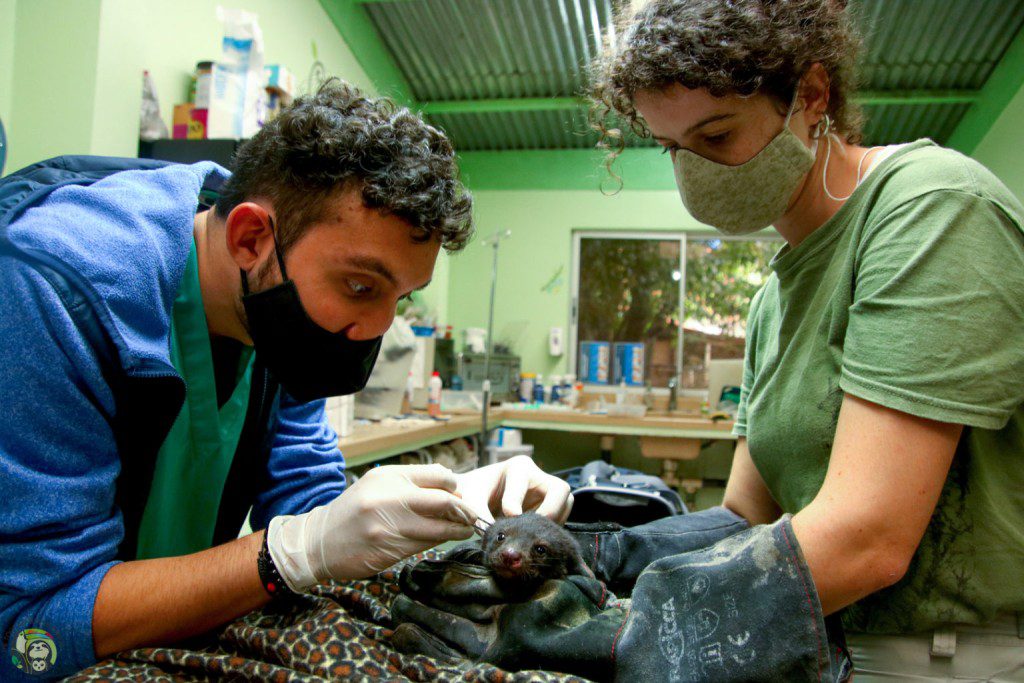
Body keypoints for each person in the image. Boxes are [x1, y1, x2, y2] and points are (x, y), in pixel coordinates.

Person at [0, 79, 572, 680]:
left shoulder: (274, 296)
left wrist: (447, 502)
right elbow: (25, 632)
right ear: (249, 238)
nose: (377, 327)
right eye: (361, 286)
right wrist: (289, 554)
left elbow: (309, 503)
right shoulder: (50, 293)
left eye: (400, 297)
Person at [587, 0, 1024, 679]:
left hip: (937, 656)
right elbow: (744, 517)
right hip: (822, 640)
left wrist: (631, 629)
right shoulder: (773, 296)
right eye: (672, 149)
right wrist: (600, 552)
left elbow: (867, 539)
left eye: (716, 135)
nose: (694, 173)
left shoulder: (931, 208)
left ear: (812, 96)